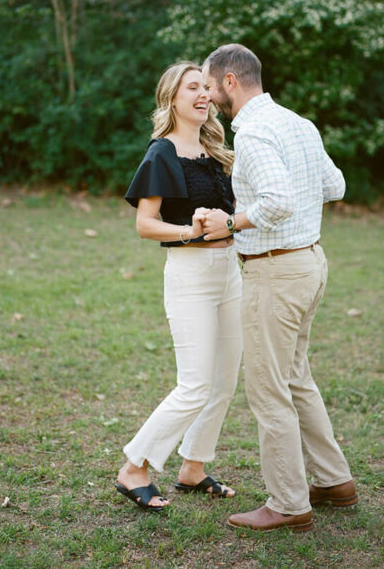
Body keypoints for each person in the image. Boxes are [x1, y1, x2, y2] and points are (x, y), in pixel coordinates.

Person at [196, 43, 356, 533]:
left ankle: (288, 503)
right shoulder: (296, 123)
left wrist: (232, 220)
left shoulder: (255, 132)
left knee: (269, 391)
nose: (207, 95)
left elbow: (278, 201)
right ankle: (333, 481)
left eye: (209, 84)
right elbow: (336, 186)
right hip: (309, 264)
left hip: (276, 273)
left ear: (229, 81)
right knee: (295, 378)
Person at [116, 61, 242, 510]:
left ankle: (193, 467)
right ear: (172, 98)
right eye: (193, 88)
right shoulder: (161, 153)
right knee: (194, 385)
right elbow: (145, 225)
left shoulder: (215, 152)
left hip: (230, 272)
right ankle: (135, 466)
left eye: (207, 87)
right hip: (190, 276)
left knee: (224, 381)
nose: (204, 94)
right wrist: (190, 231)